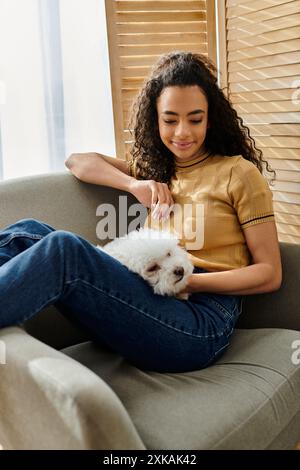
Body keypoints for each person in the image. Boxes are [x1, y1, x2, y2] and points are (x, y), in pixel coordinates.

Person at [0, 51, 282, 373]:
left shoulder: (238, 173)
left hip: (200, 321)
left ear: (211, 117)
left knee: (64, 250)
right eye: (170, 119)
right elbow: (78, 161)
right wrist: (134, 185)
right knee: (28, 232)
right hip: (149, 295)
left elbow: (269, 273)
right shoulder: (158, 169)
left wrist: (188, 282)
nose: (182, 133)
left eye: (195, 118)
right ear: (155, 119)